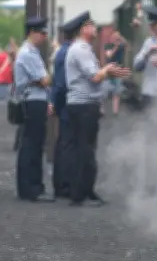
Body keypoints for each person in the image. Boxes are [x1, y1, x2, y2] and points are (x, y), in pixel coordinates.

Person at [65, 11, 130, 207]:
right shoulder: (81, 50)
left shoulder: (85, 49)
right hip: (83, 105)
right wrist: (108, 70)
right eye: (92, 26)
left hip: (87, 105)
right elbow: (94, 77)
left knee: (87, 149)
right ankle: (79, 195)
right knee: (84, 151)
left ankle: (87, 190)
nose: (95, 29)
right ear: (83, 29)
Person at [13, 17, 55, 202]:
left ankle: (29, 187)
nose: (44, 37)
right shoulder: (28, 53)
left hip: (33, 100)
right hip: (33, 101)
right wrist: (51, 72)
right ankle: (32, 189)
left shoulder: (30, 52)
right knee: (33, 146)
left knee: (31, 144)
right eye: (42, 33)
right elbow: (45, 80)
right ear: (32, 32)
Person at [50, 19, 77, 198]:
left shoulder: (64, 51)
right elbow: (60, 84)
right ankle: (64, 184)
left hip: (65, 101)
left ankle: (62, 183)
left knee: (64, 143)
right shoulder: (67, 53)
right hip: (68, 102)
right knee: (67, 144)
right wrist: (56, 104)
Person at [103, 30, 128, 115]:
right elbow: (109, 55)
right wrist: (116, 47)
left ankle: (115, 111)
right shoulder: (108, 45)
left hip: (118, 70)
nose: (116, 38)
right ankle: (102, 110)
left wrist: (121, 38)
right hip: (109, 70)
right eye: (114, 36)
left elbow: (126, 45)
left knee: (117, 92)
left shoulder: (121, 45)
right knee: (105, 90)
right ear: (111, 37)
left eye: (117, 37)